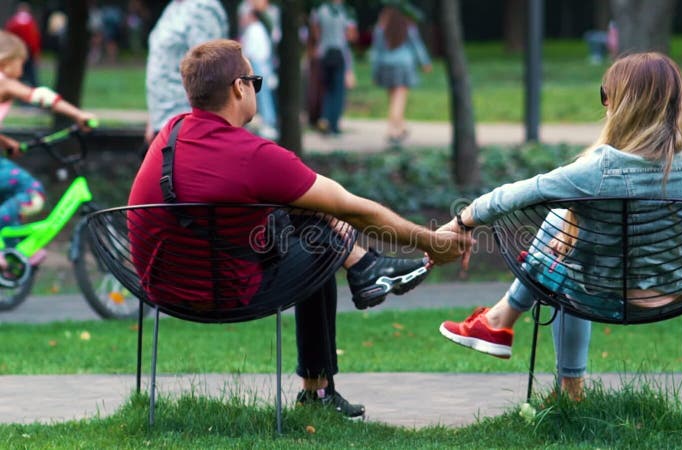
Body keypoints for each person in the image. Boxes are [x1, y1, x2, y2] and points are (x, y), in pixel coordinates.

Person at [128, 39, 470, 416]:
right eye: (254, 80)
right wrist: (432, 241)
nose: (256, 89)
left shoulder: (170, 134)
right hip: (224, 291)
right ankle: (321, 383)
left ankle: (365, 267)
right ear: (238, 87)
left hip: (162, 285)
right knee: (322, 239)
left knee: (310, 215)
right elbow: (356, 210)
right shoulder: (254, 156)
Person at [437, 52, 682, 401]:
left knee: (556, 259)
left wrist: (461, 222)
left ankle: (513, 334)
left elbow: (515, 195)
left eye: (606, 93)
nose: (604, 102)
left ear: (623, 102)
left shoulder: (599, 170)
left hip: (608, 294)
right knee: (564, 229)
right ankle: (500, 323)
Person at [0, 31, 95, 262]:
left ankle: (13, 250)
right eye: (20, 62)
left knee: (12, 195)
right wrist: (78, 114)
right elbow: (40, 96)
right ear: (5, 60)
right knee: (32, 192)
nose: (22, 69)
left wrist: (5, 142)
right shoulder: (3, 81)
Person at [144, 0, 228, 144]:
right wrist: (153, 119)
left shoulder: (203, 8)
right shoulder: (174, 6)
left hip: (187, 127)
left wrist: (198, 128)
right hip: (165, 122)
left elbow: (210, 71)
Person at [370, 4, 431, 144]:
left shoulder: (380, 29)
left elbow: (376, 53)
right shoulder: (408, 26)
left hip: (386, 65)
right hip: (403, 65)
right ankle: (392, 130)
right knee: (399, 99)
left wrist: (375, 72)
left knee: (393, 99)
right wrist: (425, 62)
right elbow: (417, 45)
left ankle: (401, 126)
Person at [309, 0, 357, 135]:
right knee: (338, 90)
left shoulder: (319, 11)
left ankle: (325, 119)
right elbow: (351, 35)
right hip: (338, 53)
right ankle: (334, 123)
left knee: (326, 88)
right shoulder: (345, 12)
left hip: (323, 53)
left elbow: (315, 32)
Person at [238, 0, 278, 139]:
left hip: (257, 63)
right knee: (261, 94)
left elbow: (252, 50)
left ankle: (268, 121)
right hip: (260, 62)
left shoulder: (254, 29)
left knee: (263, 94)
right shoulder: (257, 28)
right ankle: (266, 120)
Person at [4, 2, 41, 87]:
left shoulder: (13, 21)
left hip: (15, 51)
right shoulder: (30, 22)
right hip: (28, 51)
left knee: (17, 74)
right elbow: (34, 40)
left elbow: (8, 36)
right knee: (31, 76)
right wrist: (36, 53)